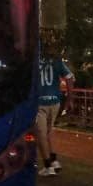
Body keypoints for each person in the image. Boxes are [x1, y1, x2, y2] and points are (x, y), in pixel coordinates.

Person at [35, 46, 74, 176]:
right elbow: (69, 77)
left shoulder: (33, 61)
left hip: (40, 103)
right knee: (49, 132)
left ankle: (48, 166)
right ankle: (54, 161)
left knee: (41, 135)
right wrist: (69, 98)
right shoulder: (56, 61)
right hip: (55, 102)